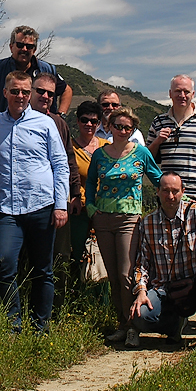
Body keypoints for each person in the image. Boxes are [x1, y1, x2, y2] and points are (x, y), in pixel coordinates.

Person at [0, 71, 69, 332]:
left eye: (26, 92)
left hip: (42, 206)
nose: (21, 96)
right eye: (15, 91)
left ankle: (40, 327)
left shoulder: (45, 123)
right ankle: (13, 325)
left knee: (42, 270)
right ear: (5, 93)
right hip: (7, 210)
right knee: (4, 265)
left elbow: (60, 165)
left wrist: (61, 205)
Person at [129, 172, 196, 347]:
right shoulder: (148, 223)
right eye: (166, 191)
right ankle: (174, 325)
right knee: (140, 316)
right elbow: (142, 263)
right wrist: (141, 291)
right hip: (164, 288)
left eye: (175, 191)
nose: (170, 196)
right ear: (157, 191)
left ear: (183, 191)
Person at [86, 106, 162, 347]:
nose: (122, 130)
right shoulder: (100, 154)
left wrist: (177, 195)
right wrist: (90, 208)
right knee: (113, 276)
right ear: (109, 127)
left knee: (126, 274)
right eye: (117, 126)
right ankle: (122, 324)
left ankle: (133, 327)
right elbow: (91, 182)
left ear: (133, 129)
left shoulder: (141, 153)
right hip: (103, 219)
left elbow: (157, 178)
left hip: (129, 219)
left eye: (127, 127)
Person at [147, 75, 196, 210]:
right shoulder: (158, 122)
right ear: (170, 93)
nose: (182, 95)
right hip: (169, 195)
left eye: (186, 91)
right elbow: (148, 159)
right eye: (178, 91)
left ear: (193, 94)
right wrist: (157, 142)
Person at [29, 74, 80, 274]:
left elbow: (69, 160)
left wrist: (75, 193)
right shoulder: (16, 120)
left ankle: (58, 294)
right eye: (40, 91)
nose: (45, 96)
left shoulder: (59, 123)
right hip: (28, 198)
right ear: (31, 92)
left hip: (58, 197)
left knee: (60, 253)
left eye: (50, 94)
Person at [72, 101, 108, 268]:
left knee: (103, 256)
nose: (89, 124)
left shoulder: (107, 147)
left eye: (93, 121)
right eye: (84, 120)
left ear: (98, 123)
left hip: (105, 210)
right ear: (78, 121)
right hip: (80, 209)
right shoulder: (70, 148)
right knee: (78, 253)